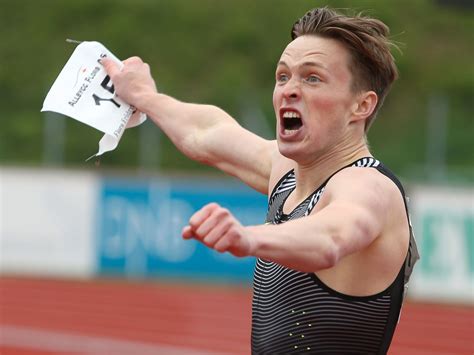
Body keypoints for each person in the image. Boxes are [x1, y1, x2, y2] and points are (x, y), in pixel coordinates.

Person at [103, 6, 419, 354]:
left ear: (361, 106)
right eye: (283, 77)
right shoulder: (285, 171)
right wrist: (145, 97)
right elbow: (206, 132)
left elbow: (332, 238)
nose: (290, 90)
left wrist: (248, 236)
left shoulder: (368, 185)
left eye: (312, 78)